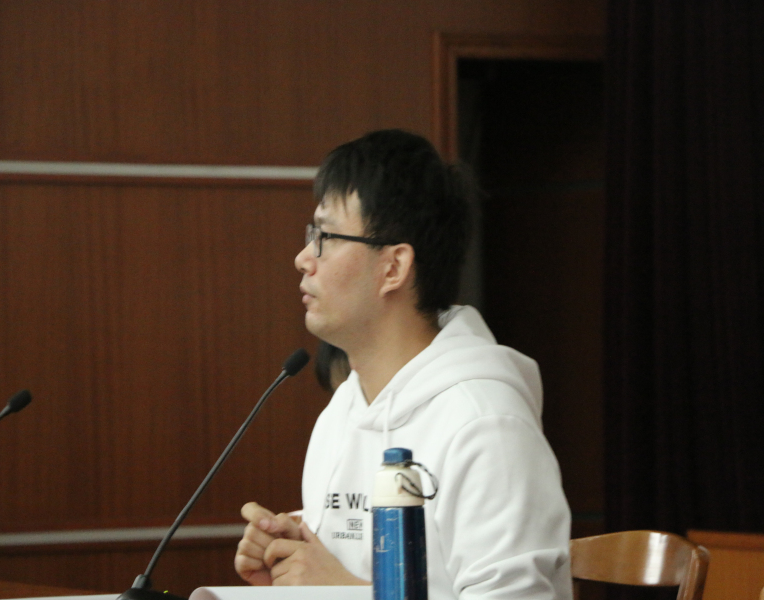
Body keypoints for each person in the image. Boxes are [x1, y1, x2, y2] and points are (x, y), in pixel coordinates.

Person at [234, 129, 572, 599]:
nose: (303, 258)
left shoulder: (485, 422)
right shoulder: (343, 411)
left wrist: (341, 591)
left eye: (325, 236)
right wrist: (291, 564)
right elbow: (345, 578)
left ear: (393, 267)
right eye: (312, 235)